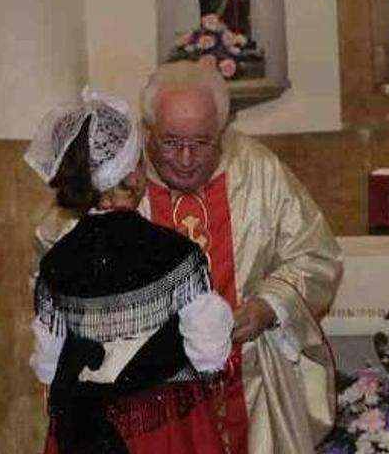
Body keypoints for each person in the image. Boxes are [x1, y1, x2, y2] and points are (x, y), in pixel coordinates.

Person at [138, 61, 343, 453]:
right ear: (147, 130)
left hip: (247, 379)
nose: (184, 159)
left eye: (201, 143)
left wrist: (268, 305)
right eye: (169, 142)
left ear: (222, 130)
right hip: (150, 392)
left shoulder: (259, 170)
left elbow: (316, 256)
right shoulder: (122, 181)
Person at [26, 89, 234, 453]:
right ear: (133, 173)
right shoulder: (174, 252)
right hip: (162, 428)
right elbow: (209, 352)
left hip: (81, 429)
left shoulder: (57, 261)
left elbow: (48, 362)